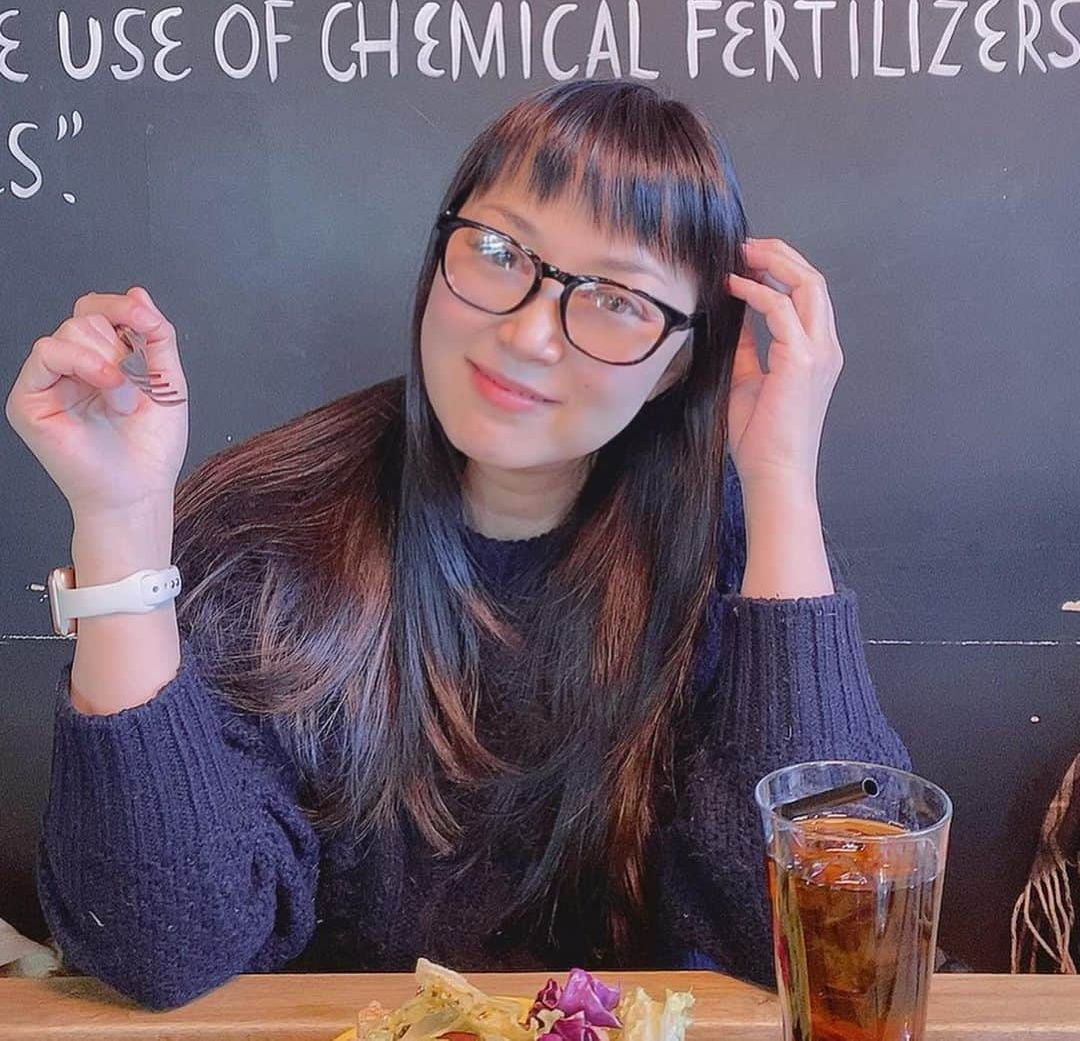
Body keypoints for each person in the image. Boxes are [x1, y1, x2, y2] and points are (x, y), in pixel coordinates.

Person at [5, 78, 911, 1011]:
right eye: (496, 250)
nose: (526, 334)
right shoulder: (265, 528)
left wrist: (781, 480)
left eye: (615, 299)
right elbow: (162, 945)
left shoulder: (735, 551)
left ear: (679, 360)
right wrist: (117, 525)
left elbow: (840, 933)